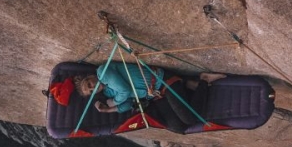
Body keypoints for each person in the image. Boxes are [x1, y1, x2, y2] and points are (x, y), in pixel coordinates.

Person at [74, 62, 225, 113]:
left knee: (190, 118)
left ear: (90, 76)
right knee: (178, 127)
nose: (93, 87)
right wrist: (109, 109)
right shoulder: (108, 91)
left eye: (89, 84)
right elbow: (129, 104)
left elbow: (125, 91)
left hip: (161, 80)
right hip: (158, 93)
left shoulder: (103, 71)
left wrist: (113, 102)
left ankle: (203, 81)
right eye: (91, 91)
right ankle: (191, 85)